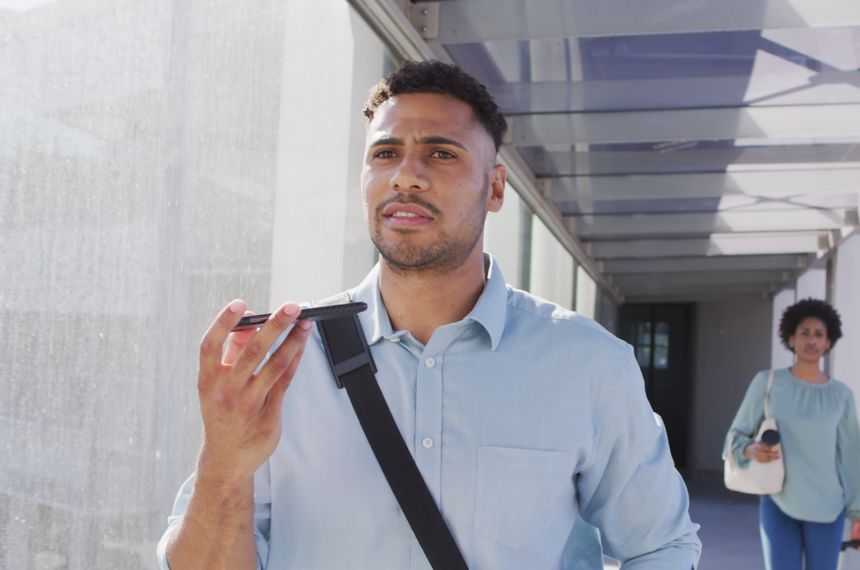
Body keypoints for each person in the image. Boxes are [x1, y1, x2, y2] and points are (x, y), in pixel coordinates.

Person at [157, 60, 701, 569]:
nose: (406, 177)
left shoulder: (587, 365)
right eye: (385, 153)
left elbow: (663, 546)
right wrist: (223, 467)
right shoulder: (280, 367)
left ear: (494, 188)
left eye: (441, 154)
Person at [725, 298, 860, 570]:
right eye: (804, 333)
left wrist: (857, 515)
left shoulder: (841, 395)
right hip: (778, 502)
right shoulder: (767, 383)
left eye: (819, 334)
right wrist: (750, 449)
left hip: (828, 508)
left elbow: (853, 457)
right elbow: (736, 435)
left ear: (829, 342)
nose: (812, 340)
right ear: (791, 338)